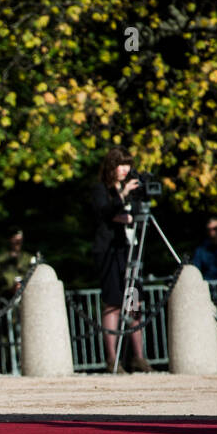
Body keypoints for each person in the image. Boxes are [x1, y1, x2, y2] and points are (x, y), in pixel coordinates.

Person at [92, 146, 152, 373]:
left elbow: (136, 214)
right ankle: (112, 359)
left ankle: (138, 357)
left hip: (130, 250)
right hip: (109, 252)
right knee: (114, 304)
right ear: (111, 167)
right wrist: (123, 195)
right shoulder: (100, 190)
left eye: (128, 164)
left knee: (134, 304)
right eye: (121, 164)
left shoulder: (133, 189)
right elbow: (104, 213)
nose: (125, 169)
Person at [191, 216, 217, 286]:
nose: (214, 231)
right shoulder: (200, 251)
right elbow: (196, 272)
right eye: (210, 229)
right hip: (209, 288)